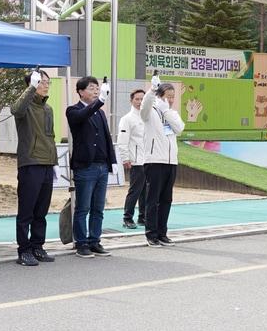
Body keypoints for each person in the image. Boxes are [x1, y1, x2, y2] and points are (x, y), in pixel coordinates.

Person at [65, 76, 117, 259]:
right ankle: (81, 243)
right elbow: (83, 116)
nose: (95, 91)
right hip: (85, 166)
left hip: (102, 165)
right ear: (80, 91)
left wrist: (112, 161)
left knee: (98, 207)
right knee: (83, 207)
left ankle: (95, 240)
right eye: (91, 88)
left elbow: (107, 138)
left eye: (97, 88)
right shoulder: (73, 110)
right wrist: (100, 101)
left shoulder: (100, 113)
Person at [12, 69, 57, 267]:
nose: (46, 85)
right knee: (26, 211)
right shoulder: (25, 106)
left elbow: (50, 136)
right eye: (41, 82)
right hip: (30, 163)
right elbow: (16, 110)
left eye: (47, 82)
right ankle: (24, 250)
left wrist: (54, 162)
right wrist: (31, 87)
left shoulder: (48, 109)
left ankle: (38, 246)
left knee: (41, 211)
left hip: (47, 163)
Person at [141, 79, 184, 247]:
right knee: (153, 200)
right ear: (160, 96)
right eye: (168, 96)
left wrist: (167, 111)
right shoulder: (150, 112)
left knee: (166, 199)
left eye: (173, 96)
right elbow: (145, 106)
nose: (171, 100)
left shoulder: (171, 113)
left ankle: (162, 233)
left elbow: (179, 128)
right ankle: (151, 234)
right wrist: (152, 90)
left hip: (171, 162)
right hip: (154, 161)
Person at [116, 89, 148, 231]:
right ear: (131, 101)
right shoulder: (127, 119)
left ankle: (143, 217)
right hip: (135, 160)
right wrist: (125, 158)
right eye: (137, 99)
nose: (140, 102)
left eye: (142, 99)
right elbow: (122, 140)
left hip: (148, 160)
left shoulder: (148, 117)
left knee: (146, 191)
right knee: (135, 190)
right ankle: (127, 218)